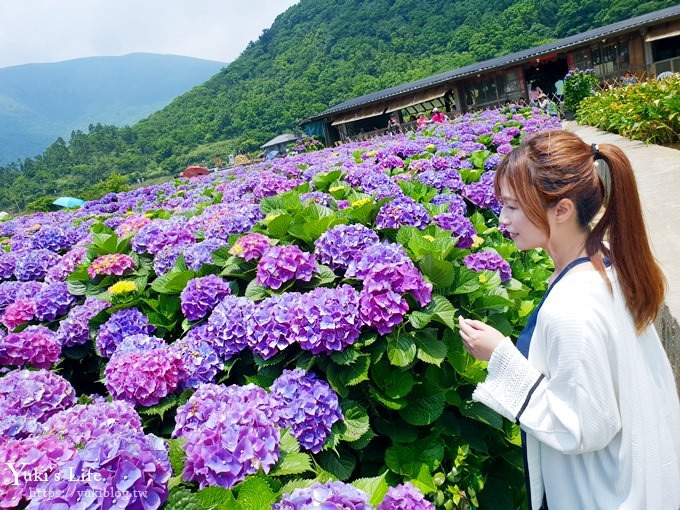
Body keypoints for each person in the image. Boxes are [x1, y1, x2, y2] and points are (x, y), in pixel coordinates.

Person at [458, 130, 680, 510]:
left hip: (602, 494)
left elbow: (585, 425)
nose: (502, 219)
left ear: (561, 210)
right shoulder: (605, 260)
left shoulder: (573, 305)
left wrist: (498, 356)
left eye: (513, 206)